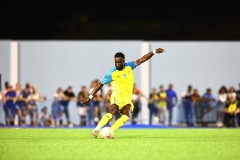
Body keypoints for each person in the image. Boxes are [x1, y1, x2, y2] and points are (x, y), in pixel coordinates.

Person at [81, 48, 165, 138]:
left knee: (126, 114)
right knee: (111, 111)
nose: (117, 64)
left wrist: (154, 52)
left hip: (127, 98)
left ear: (123, 61)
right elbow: (100, 84)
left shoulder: (130, 66)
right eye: (116, 62)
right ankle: (96, 129)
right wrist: (90, 97)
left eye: (119, 62)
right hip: (117, 96)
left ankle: (110, 131)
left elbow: (142, 59)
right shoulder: (111, 73)